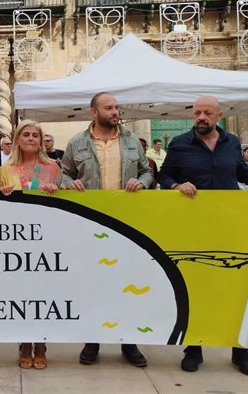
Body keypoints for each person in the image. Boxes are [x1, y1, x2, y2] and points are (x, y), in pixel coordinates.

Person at [158, 95, 248, 376]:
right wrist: (177, 184)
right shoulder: (179, 144)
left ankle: (238, 349)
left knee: (235, 288)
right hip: (195, 228)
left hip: (230, 226)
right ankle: (193, 348)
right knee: (196, 286)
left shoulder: (232, 143)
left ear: (218, 115)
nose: (201, 117)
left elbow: (242, 173)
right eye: (197, 113)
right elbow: (163, 177)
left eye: (207, 113)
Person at [61, 92, 152, 368]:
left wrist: (142, 182)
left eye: (116, 107)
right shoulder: (77, 142)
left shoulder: (131, 140)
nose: (115, 111)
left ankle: (129, 341)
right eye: (109, 107)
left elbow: (147, 171)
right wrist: (69, 183)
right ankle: (93, 339)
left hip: (126, 225)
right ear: (94, 113)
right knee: (93, 283)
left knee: (126, 282)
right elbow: (64, 172)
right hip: (91, 225)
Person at [0, 120, 61, 370]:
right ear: (17, 139)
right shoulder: (6, 168)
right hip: (16, 239)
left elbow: (66, 198)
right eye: (26, 134)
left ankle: (42, 342)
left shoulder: (52, 167)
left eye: (36, 135)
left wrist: (56, 190)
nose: (31, 138)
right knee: (22, 295)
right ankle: (24, 342)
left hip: (46, 237)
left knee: (44, 293)